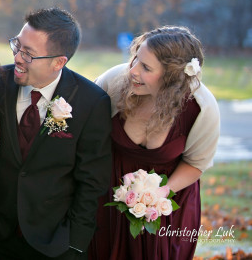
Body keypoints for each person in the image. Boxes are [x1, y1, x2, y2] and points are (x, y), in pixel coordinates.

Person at [0, 7, 112, 259]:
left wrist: (75, 245)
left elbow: (91, 182)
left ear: (58, 62)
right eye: (17, 46)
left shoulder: (91, 102)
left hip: (54, 242)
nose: (18, 57)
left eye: (29, 54)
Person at [89, 26, 219, 260]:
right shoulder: (113, 82)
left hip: (167, 202)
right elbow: (85, 132)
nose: (133, 72)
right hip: (108, 194)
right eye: (135, 59)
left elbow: (196, 164)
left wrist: (157, 195)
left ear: (172, 78)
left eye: (146, 67)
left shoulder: (201, 108)